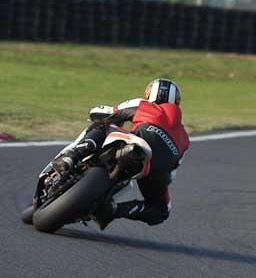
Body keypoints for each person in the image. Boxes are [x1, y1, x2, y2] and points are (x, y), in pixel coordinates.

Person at [52, 79, 190, 229]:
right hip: (159, 167)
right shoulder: (184, 136)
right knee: (161, 210)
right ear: (176, 101)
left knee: (104, 124)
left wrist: (94, 113)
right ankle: (115, 210)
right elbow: (174, 169)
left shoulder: (143, 105)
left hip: (140, 142)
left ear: (149, 93)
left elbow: (111, 113)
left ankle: (73, 156)